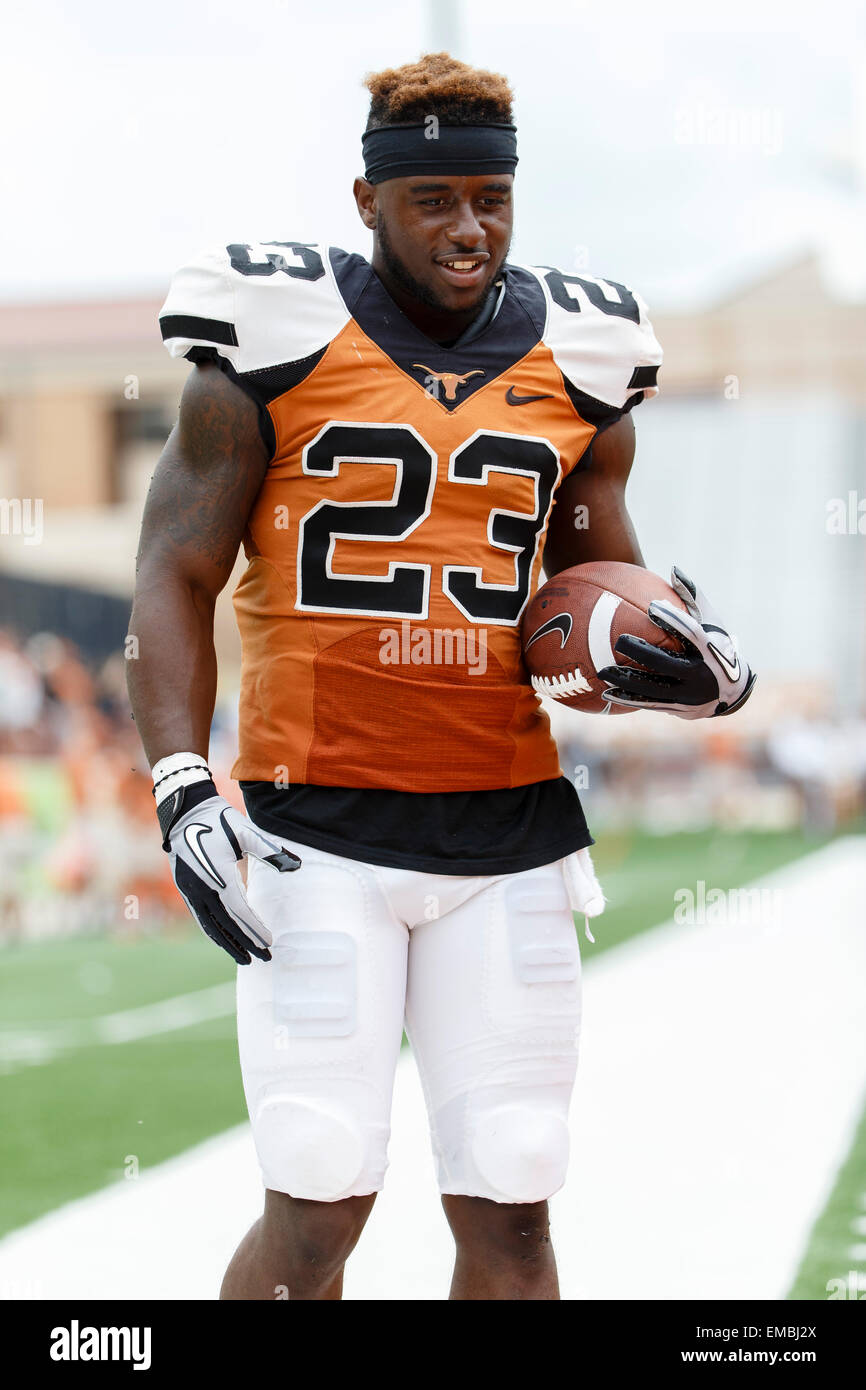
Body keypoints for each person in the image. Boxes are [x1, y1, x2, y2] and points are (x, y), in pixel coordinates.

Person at [127, 51, 754, 1301]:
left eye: (491, 197)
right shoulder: (270, 335)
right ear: (367, 201)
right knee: (315, 1205)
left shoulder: (584, 357)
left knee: (514, 1200)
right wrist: (185, 785)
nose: (469, 227)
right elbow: (173, 572)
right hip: (316, 830)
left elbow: (594, 612)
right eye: (434, 200)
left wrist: (686, 664)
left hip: (507, 828)